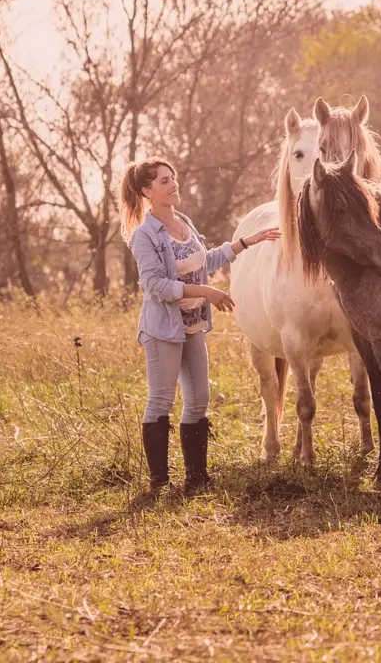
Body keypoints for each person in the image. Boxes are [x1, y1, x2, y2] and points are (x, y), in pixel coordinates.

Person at [119, 157, 280, 492]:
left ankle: (196, 478)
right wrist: (206, 292)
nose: (173, 184)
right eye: (164, 181)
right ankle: (159, 483)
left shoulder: (184, 223)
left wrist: (248, 241)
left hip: (192, 325)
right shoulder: (145, 235)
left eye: (173, 177)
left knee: (198, 399)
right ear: (147, 191)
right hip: (163, 329)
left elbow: (204, 262)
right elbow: (156, 285)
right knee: (161, 401)